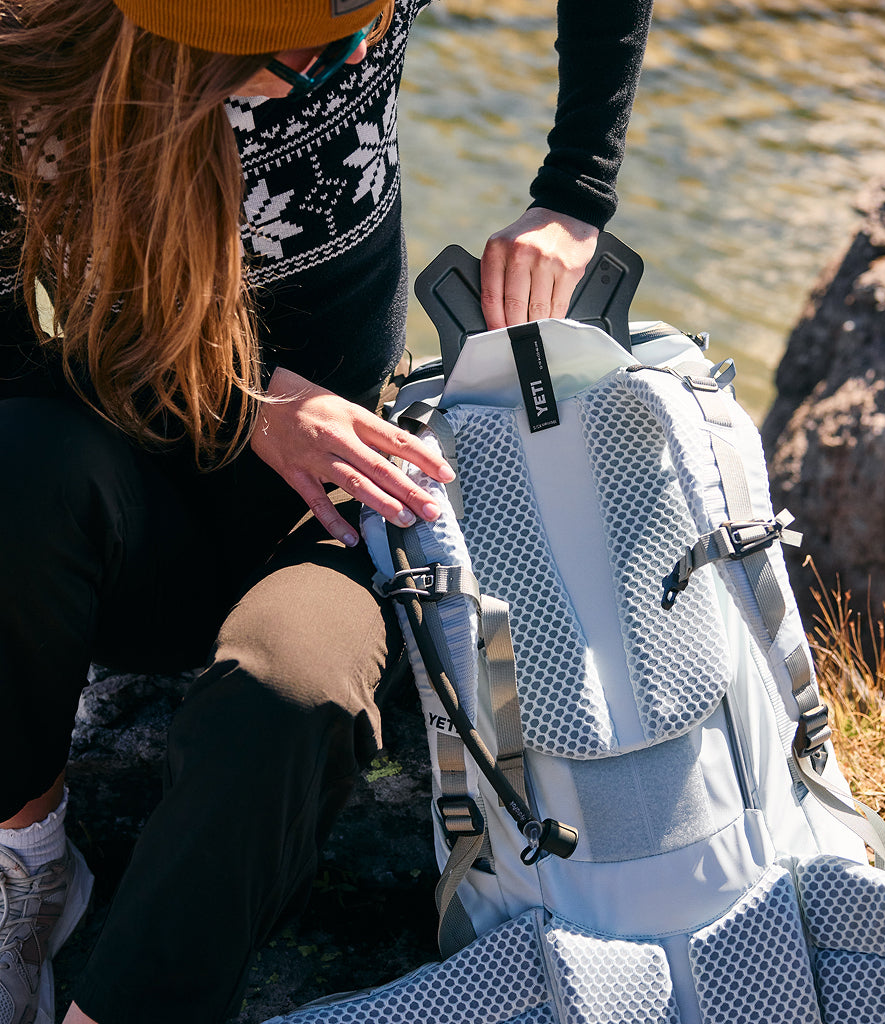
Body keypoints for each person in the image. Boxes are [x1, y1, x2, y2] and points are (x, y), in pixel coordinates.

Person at [0, 0, 652, 1020]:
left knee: (291, 692)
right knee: (13, 460)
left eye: (350, 29)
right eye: (280, 38)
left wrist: (574, 191)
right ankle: (29, 858)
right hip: (120, 509)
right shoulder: (32, 58)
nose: (324, 58)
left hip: (339, 516)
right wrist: (251, 396)